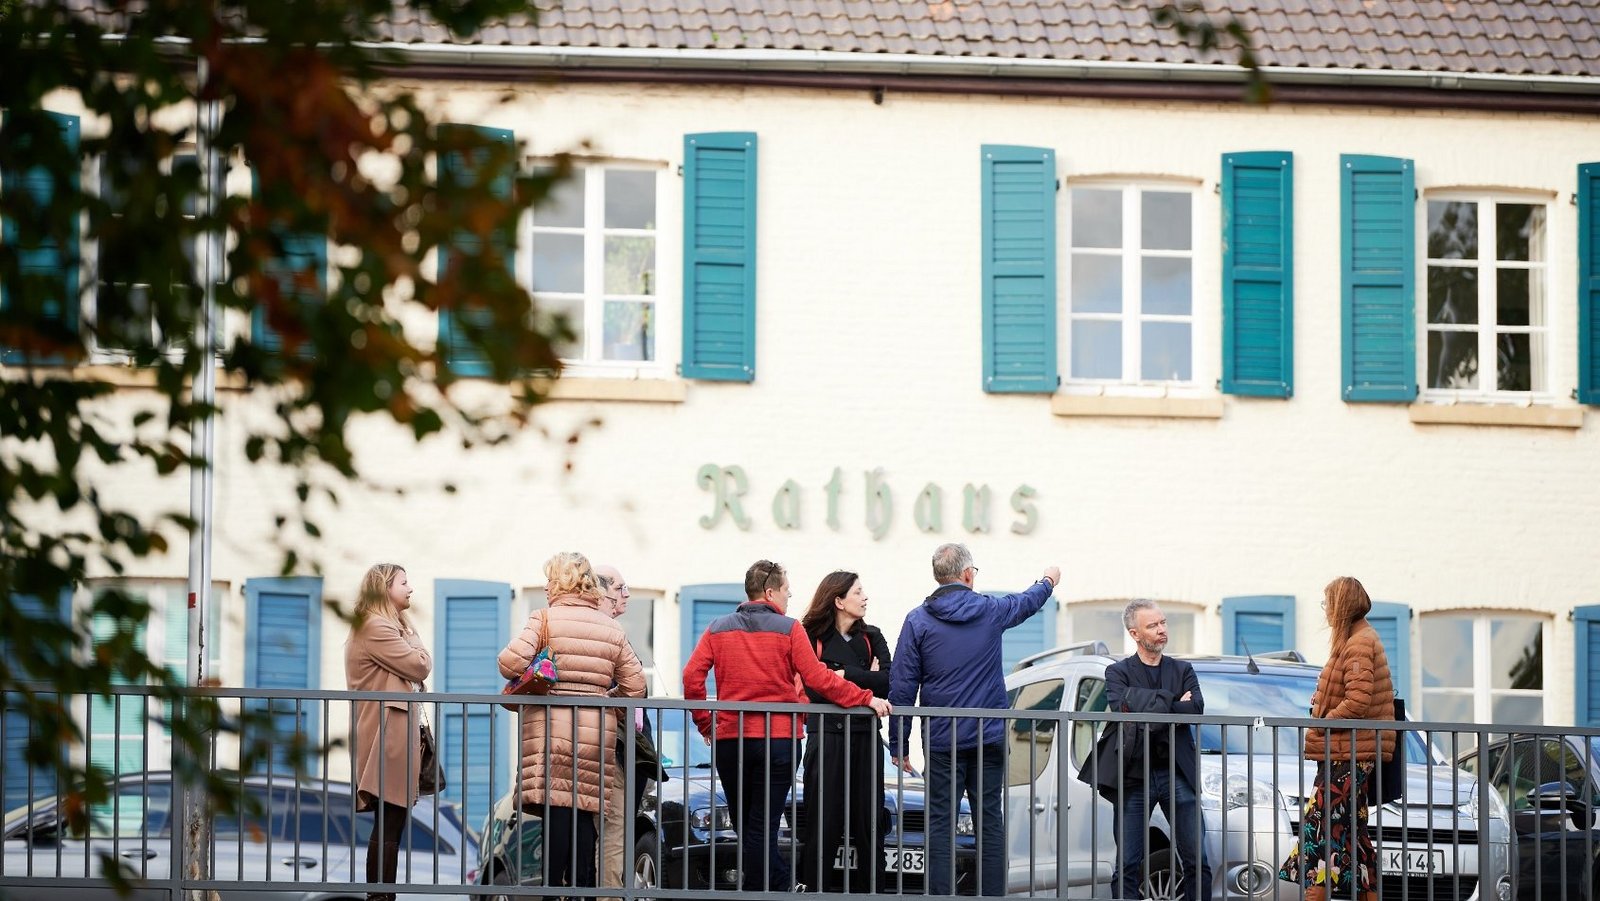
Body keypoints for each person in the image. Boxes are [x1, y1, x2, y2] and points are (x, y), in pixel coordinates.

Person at [682, 560, 893, 893]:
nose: (790, 595)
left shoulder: (717, 628)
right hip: (777, 738)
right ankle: (782, 885)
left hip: (731, 740)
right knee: (762, 824)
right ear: (770, 592)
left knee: (746, 823)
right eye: (786, 590)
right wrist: (865, 696)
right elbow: (819, 678)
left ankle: (764, 888)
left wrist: (706, 725)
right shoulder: (789, 628)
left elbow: (691, 677)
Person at [889, 543, 1060, 898]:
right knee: (989, 821)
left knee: (940, 824)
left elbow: (902, 686)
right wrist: (1047, 582)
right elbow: (1026, 602)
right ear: (968, 575)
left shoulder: (917, 620)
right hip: (988, 736)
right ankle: (991, 895)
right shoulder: (990, 610)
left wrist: (899, 744)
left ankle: (940, 895)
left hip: (941, 740)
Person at [498, 552, 646, 895]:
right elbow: (636, 686)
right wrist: (609, 706)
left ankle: (553, 890)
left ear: (560, 582)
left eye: (550, 579)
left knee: (555, 814)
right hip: (595, 734)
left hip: (550, 734)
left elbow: (508, 663)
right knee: (584, 813)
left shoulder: (544, 619)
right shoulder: (612, 628)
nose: (547, 586)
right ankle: (582, 890)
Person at [1280, 577, 1396, 901]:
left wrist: (1321, 725)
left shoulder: (1358, 643)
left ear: (1342, 604)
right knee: (1352, 835)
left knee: (1320, 830)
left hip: (1348, 755)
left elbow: (1357, 701)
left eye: (1327, 603)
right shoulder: (1358, 638)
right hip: (1349, 753)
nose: (1326, 611)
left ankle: (1315, 894)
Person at [1103, 598, 1212, 901]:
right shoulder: (1117, 672)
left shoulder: (1183, 669)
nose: (1162, 630)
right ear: (1135, 633)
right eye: (1153, 625)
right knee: (1127, 863)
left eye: (1163, 622)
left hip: (1177, 771)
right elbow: (1122, 707)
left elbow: (1196, 709)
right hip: (1135, 775)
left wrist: (1147, 705)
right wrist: (1174, 703)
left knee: (1197, 861)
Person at [797, 571, 892, 894]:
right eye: (858, 592)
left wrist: (843, 673)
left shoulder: (873, 636)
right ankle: (815, 893)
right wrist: (866, 678)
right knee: (822, 824)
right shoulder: (811, 636)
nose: (865, 597)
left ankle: (872, 895)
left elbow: (889, 682)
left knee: (870, 824)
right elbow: (814, 688)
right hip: (826, 739)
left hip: (867, 738)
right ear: (838, 600)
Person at [345, 564, 433, 901]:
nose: (411, 588)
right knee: (390, 821)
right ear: (385, 588)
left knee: (391, 820)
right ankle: (380, 897)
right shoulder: (377, 626)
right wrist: (410, 635)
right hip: (387, 734)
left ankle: (381, 895)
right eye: (404, 582)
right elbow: (420, 665)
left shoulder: (381, 626)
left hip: (390, 731)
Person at [593, 564, 648, 901]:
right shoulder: (606, 632)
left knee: (612, 832)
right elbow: (631, 687)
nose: (626, 594)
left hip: (620, 746)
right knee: (613, 832)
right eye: (619, 587)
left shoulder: (610, 630)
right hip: (613, 745)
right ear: (602, 593)